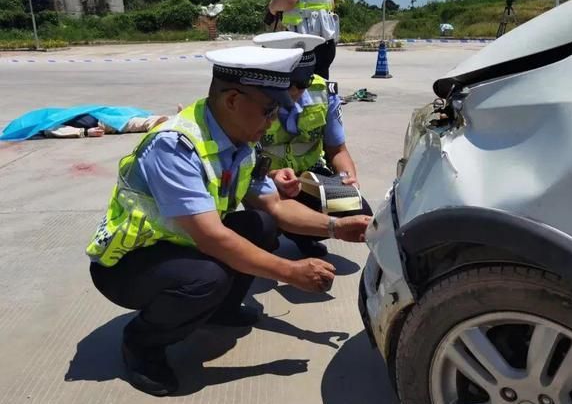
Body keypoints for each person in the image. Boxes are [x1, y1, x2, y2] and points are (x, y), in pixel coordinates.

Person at [85, 46, 371, 397]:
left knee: (261, 225)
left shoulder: (240, 142)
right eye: (269, 110)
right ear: (233, 100)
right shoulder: (176, 147)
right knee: (207, 278)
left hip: (178, 246)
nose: (272, 120)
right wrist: (289, 271)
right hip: (126, 264)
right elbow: (211, 238)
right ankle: (142, 344)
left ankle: (220, 310)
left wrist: (336, 228)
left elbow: (277, 208)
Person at [253, 31, 372, 258]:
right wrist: (271, 176)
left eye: (304, 82)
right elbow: (240, 158)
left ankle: (302, 235)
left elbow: (337, 149)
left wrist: (347, 177)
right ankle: (272, 231)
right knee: (263, 227)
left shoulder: (323, 93)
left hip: (310, 180)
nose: (297, 91)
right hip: (264, 180)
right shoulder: (253, 96)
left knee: (357, 210)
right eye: (290, 83)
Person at [267, 0, 338, 79]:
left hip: (303, 39)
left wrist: (272, 7)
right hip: (325, 36)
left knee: (296, 91)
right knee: (318, 91)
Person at [0, 105, 169, 141]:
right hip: (101, 122)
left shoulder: (48, 120)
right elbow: (55, 130)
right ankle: (165, 121)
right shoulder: (48, 124)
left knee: (130, 117)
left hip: (100, 116)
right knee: (134, 123)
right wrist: (84, 133)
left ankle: (164, 120)